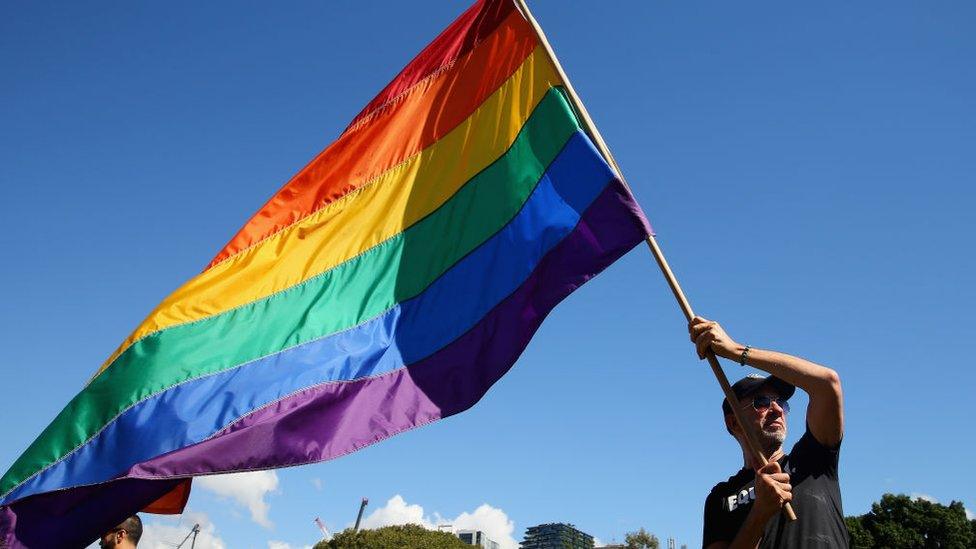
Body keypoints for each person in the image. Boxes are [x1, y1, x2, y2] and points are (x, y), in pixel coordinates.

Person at [690, 316, 847, 548]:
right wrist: (760, 512)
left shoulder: (814, 459)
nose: (776, 409)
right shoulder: (721, 498)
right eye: (761, 402)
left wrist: (736, 351)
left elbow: (827, 382)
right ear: (734, 423)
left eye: (781, 402)